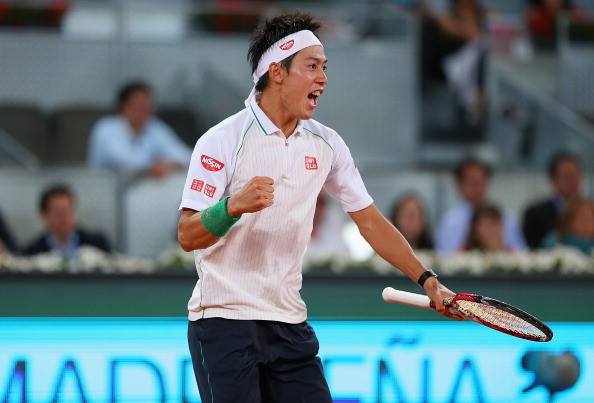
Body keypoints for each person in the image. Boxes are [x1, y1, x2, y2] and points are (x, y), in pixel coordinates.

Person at [177, 12, 458, 403]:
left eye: (325, 68)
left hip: (289, 322)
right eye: (312, 67)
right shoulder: (221, 140)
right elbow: (188, 235)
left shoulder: (327, 144)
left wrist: (427, 279)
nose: (323, 79)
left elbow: (370, 222)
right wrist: (233, 206)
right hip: (223, 322)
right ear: (277, 72)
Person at [88, 81, 191, 178]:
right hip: (105, 188)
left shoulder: (155, 127)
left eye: (147, 106)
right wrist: (154, 166)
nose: (142, 110)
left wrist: (168, 165)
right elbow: (125, 161)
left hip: (144, 188)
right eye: (137, 105)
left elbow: (186, 156)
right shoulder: (106, 128)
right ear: (123, 106)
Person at [435, 157, 525, 253]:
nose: (477, 187)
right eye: (472, 182)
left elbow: (520, 253)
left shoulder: (507, 217)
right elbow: (445, 256)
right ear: (459, 185)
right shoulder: (449, 222)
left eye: (481, 181)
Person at [22, 184, 111, 258]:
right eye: (58, 213)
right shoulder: (32, 252)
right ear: (44, 216)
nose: (64, 218)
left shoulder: (97, 244)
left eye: (67, 211)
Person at [522, 152, 582, 249]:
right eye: (568, 176)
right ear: (553, 179)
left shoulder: (590, 210)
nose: (573, 181)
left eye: (576, 175)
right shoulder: (535, 214)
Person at [305, 192, 350, 261]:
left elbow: (344, 258)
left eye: (320, 204)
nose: (315, 209)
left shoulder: (334, 231)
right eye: (312, 204)